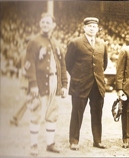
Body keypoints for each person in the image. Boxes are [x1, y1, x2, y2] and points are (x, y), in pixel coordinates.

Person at [24, 12, 68, 156]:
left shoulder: (57, 43)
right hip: (40, 82)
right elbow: (28, 65)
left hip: (55, 81)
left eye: (48, 23)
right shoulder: (34, 42)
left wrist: (64, 85)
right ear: (39, 24)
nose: (45, 25)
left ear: (53, 26)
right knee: (36, 112)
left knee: (52, 113)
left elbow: (62, 65)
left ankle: (50, 144)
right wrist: (33, 84)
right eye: (43, 22)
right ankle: (34, 145)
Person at [65, 17, 108, 150]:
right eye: (89, 26)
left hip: (97, 85)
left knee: (97, 114)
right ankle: (74, 140)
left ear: (97, 29)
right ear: (84, 28)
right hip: (80, 85)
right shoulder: (75, 43)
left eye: (94, 26)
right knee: (77, 113)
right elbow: (68, 64)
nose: (91, 28)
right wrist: (79, 77)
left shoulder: (102, 44)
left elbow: (104, 64)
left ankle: (97, 140)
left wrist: (96, 77)